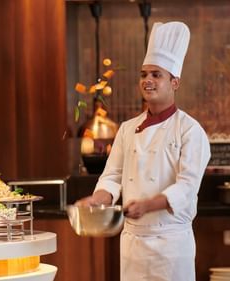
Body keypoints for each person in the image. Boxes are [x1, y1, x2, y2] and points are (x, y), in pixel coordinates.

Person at [76, 21, 211, 281]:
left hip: (171, 246)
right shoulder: (127, 129)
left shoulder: (190, 131)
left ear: (175, 82)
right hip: (133, 246)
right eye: (143, 74)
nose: (147, 80)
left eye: (156, 75)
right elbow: (112, 176)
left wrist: (148, 205)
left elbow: (186, 188)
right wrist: (97, 201)